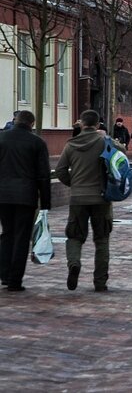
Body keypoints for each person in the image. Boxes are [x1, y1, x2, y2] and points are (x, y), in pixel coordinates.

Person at [56, 110, 125, 292]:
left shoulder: (70, 145)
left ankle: (74, 263)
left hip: (78, 198)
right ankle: (100, 282)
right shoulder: (104, 142)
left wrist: (75, 184)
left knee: (74, 236)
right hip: (102, 198)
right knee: (102, 239)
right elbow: (123, 152)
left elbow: (61, 170)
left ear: (81, 124)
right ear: (97, 125)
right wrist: (108, 137)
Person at [0, 110, 51, 291]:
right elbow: (43, 175)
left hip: (3, 195)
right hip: (26, 196)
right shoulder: (37, 142)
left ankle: (4, 275)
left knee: (6, 233)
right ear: (32, 123)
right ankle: (15, 281)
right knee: (22, 237)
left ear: (16, 120)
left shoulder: (2, 138)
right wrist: (45, 203)